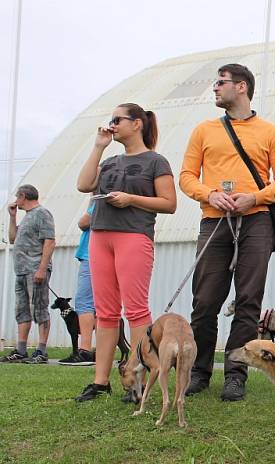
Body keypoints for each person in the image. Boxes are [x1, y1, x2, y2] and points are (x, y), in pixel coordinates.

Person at [180, 63, 275, 401]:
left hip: (257, 221)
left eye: (221, 83)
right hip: (214, 221)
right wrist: (209, 194)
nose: (215, 88)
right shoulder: (203, 130)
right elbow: (187, 176)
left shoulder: (271, 132)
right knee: (204, 302)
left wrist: (254, 198)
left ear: (241, 87)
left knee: (248, 301)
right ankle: (199, 371)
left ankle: (235, 374)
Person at [74, 103, 176, 401]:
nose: (112, 124)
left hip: (133, 236)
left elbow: (169, 202)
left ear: (137, 124)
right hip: (100, 237)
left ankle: (136, 378)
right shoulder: (109, 161)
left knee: (136, 309)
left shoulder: (156, 161)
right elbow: (83, 185)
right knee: (105, 312)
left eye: (117, 119)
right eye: (111, 119)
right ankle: (100, 381)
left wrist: (130, 198)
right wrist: (98, 147)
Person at [0, 185, 55, 364]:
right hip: (22, 271)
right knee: (22, 310)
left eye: (18, 196)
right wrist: (13, 217)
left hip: (35, 270)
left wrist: (41, 269)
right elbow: (13, 238)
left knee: (39, 308)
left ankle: (41, 351)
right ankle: (21, 350)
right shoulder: (26, 217)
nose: (16, 200)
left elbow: (50, 242)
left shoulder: (42, 214)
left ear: (23, 196)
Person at [57, 202, 97, 366]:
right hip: (100, 254)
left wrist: (92, 200)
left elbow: (83, 223)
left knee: (84, 302)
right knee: (102, 304)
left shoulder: (101, 199)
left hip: (91, 255)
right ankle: (100, 351)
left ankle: (85, 351)